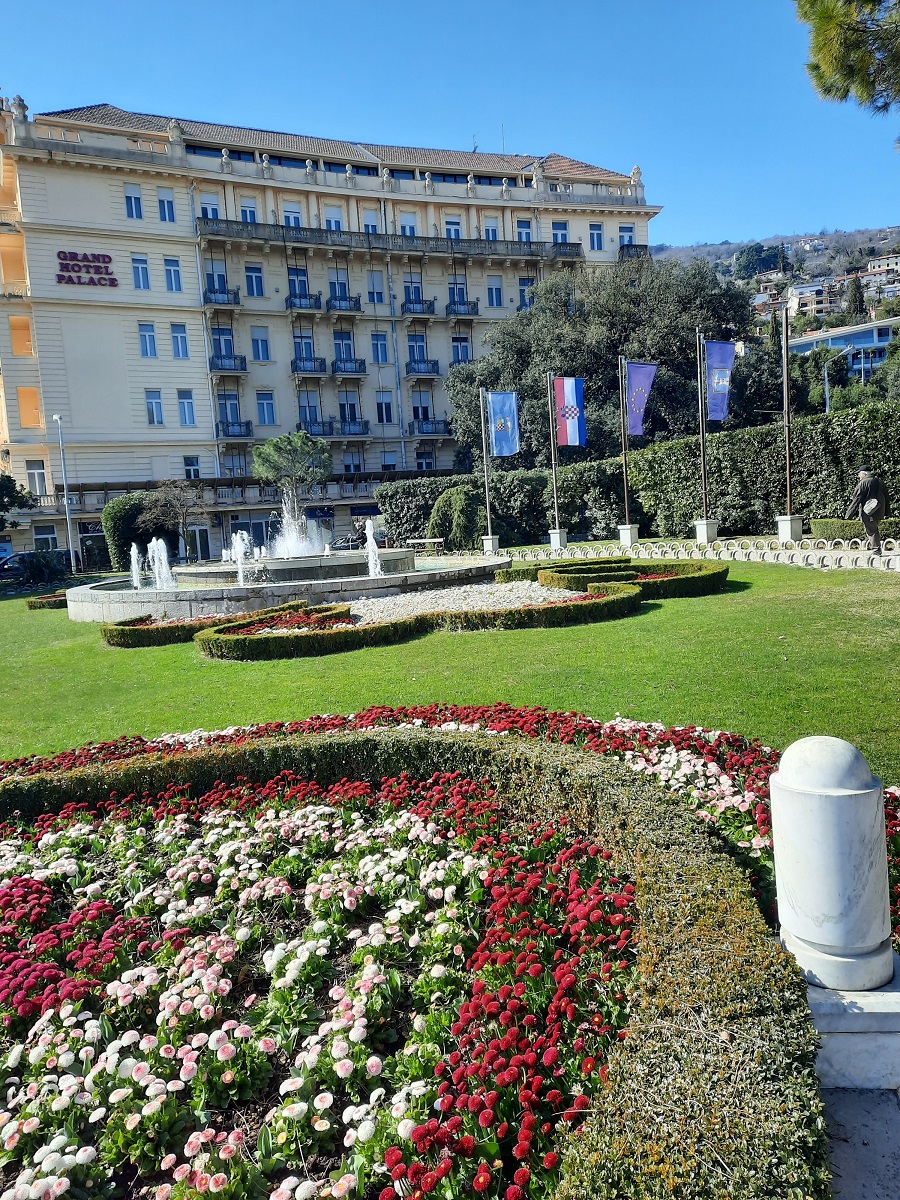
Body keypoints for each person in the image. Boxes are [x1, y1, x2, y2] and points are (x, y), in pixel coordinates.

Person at [844, 466, 888, 554]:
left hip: (869, 511)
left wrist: (848, 514)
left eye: (859, 474)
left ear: (864, 474)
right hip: (879, 510)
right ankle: (877, 549)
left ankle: (876, 551)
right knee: (874, 529)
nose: (858, 476)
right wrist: (887, 511)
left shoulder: (863, 483)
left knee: (871, 531)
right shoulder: (880, 482)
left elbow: (857, 499)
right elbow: (886, 497)